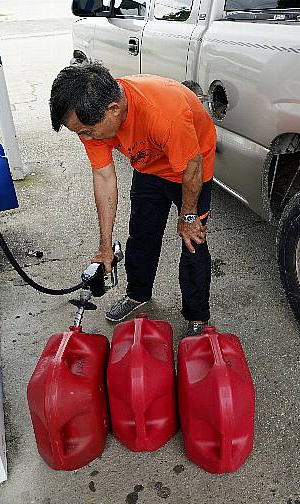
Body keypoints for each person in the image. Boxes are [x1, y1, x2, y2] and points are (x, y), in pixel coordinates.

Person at [50, 61, 217, 336]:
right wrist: (105, 245)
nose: (84, 138)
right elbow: (104, 179)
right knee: (141, 235)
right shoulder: (91, 115)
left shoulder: (163, 112)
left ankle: (196, 315)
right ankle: (138, 294)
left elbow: (192, 167)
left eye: (86, 131)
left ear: (113, 110)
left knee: (193, 241)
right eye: (78, 132)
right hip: (149, 167)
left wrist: (188, 215)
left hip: (191, 168)